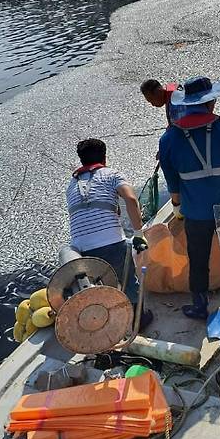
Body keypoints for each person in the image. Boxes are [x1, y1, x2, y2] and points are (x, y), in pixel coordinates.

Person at [159, 77, 220, 320]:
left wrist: (178, 206)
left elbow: (173, 184)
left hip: (195, 212)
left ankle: (200, 306)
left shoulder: (169, 139)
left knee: (198, 260)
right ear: (210, 102)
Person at [66, 138, 153, 328]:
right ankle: (140, 320)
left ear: (82, 160)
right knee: (129, 279)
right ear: (104, 158)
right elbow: (130, 199)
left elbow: (88, 209)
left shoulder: (71, 185)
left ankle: (109, 322)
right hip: (110, 243)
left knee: (102, 285)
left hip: (81, 251)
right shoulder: (111, 174)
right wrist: (138, 232)